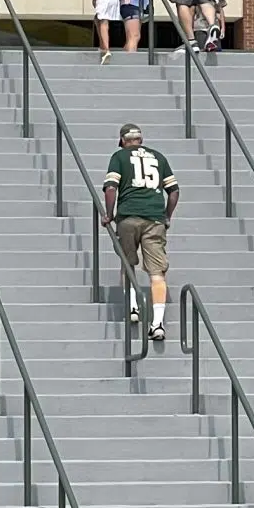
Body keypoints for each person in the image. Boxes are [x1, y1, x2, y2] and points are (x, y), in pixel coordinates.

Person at [101, 122, 179, 344]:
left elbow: (111, 187)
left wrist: (109, 214)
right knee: (157, 273)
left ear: (123, 141)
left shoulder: (120, 156)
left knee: (128, 263)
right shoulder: (159, 157)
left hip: (128, 216)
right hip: (154, 218)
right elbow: (173, 191)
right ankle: (158, 323)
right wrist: (167, 216)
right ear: (141, 140)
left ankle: (133, 306)